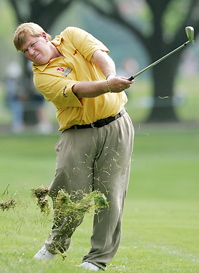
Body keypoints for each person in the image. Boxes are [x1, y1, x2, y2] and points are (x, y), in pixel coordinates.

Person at [13, 22, 134, 271]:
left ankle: (97, 260)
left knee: (110, 194)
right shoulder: (42, 76)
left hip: (117, 125)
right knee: (69, 194)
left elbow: (98, 55)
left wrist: (110, 76)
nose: (31, 53)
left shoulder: (71, 35)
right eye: (25, 51)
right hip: (77, 133)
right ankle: (55, 245)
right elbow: (78, 89)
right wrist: (108, 85)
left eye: (33, 45)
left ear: (45, 37)